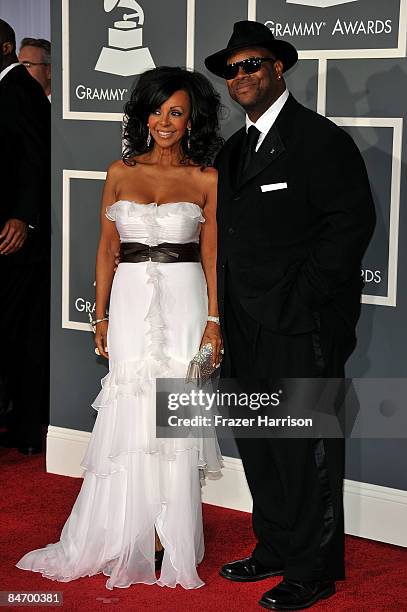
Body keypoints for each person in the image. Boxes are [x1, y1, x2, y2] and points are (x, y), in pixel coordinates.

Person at [17, 66, 223, 590]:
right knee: (131, 407)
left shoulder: (206, 178)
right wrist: (101, 313)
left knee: (171, 410)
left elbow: (214, 257)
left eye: (176, 112)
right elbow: (107, 248)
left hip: (184, 299)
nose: (164, 121)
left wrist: (214, 321)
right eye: (156, 110)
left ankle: (164, 532)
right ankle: (125, 524)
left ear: (192, 118)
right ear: (143, 115)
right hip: (129, 299)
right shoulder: (119, 171)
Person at [205, 21, 375, 611]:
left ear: (279, 68)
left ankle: (314, 569)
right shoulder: (233, 150)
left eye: (252, 64)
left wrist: (300, 301)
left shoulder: (320, 140)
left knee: (305, 448)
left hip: (301, 325)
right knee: (259, 443)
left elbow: (348, 229)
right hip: (243, 326)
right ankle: (275, 546)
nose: (241, 76)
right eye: (231, 69)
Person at [0, 19, 51, 455]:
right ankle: (20, 426)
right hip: (11, 236)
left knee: (21, 334)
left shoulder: (19, 88)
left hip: (18, 239)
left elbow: (36, 155)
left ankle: (25, 427)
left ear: (5, 47)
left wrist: (23, 217)